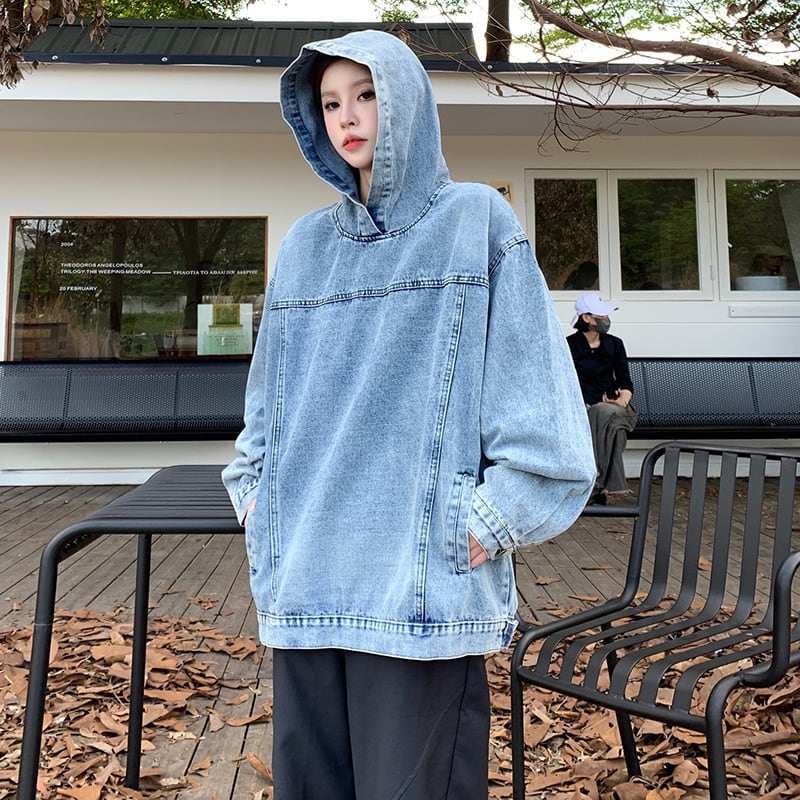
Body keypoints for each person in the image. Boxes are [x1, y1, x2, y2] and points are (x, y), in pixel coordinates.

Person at [222, 29, 595, 800]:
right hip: (307, 581)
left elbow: (547, 424)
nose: (347, 116)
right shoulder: (304, 246)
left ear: (407, 103)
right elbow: (265, 407)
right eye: (330, 102)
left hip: (420, 589)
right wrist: (257, 503)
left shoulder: (476, 221)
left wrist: (485, 522)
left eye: (366, 95)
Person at [566, 293, 637, 505]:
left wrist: (622, 400)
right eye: (601, 315)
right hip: (583, 409)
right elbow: (564, 383)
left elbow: (625, 380)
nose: (606, 319)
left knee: (604, 412)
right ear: (587, 317)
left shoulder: (615, 344)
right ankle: (604, 488)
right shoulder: (569, 346)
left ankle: (594, 481)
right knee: (615, 431)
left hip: (617, 408)